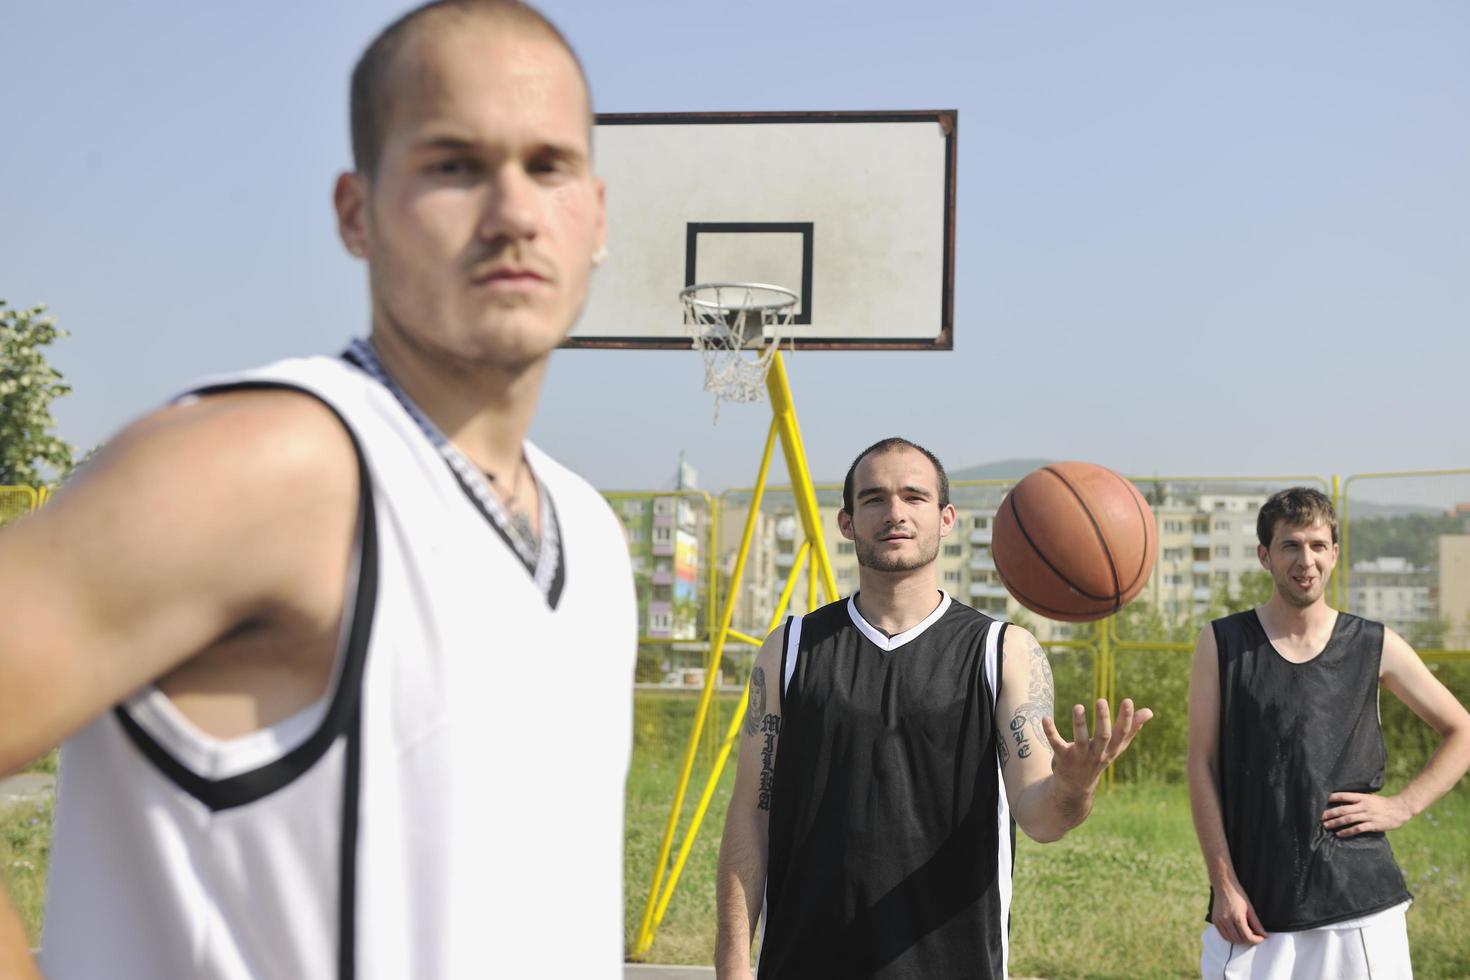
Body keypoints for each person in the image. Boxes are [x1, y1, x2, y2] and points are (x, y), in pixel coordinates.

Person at [0, 2, 636, 976]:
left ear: (596, 214)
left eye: (547, 165)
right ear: (355, 211)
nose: (512, 211)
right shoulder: (271, 461)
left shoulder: (587, 530)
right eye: (453, 164)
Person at [714, 437, 1154, 979]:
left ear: (946, 519)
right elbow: (752, 815)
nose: (894, 512)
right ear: (847, 523)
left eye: (913, 497)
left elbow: (1041, 818)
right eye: (873, 499)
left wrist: (1074, 785)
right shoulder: (790, 648)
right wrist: (732, 961)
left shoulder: (1003, 651)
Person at [1187, 487, 1470, 978]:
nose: (1306, 560)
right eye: (1291, 545)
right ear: (1265, 556)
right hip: (1253, 909)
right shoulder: (1223, 643)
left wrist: (1403, 805)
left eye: (1318, 545)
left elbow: (1461, 730)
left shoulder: (1373, 643)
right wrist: (1224, 884)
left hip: (1356, 902)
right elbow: (1201, 765)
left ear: (1335, 554)